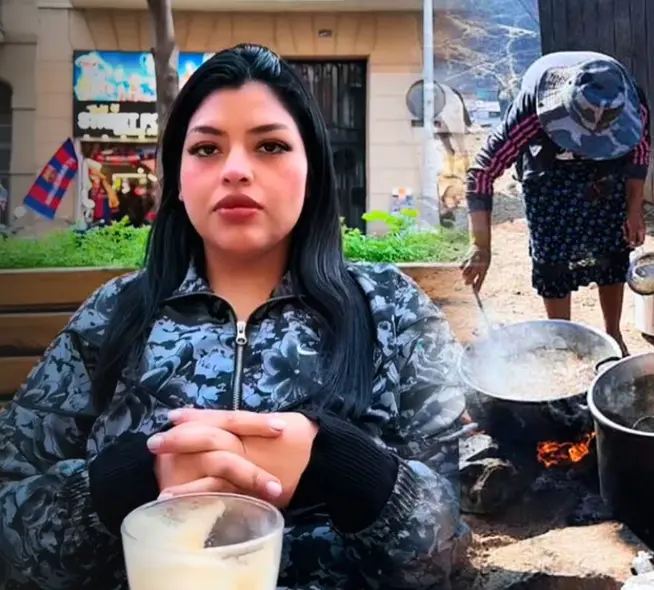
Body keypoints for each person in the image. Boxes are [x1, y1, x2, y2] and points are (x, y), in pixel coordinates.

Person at [0, 44, 469, 590]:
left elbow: (466, 533)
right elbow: (12, 532)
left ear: (311, 172)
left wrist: (340, 467)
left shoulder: (391, 310)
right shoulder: (113, 316)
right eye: (206, 148)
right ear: (176, 178)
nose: (238, 171)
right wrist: (131, 479)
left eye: (270, 145)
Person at [461, 51, 651, 354]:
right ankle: (564, 341)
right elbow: (482, 171)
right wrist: (481, 245)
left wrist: (633, 209)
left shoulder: (629, 104)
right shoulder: (534, 107)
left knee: (613, 250)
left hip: (607, 175)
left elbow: (640, 155)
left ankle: (613, 335)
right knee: (553, 259)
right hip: (548, 174)